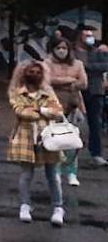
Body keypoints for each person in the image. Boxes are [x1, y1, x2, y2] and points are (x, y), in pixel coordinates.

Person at [7, 61, 66, 226]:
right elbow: (21, 111)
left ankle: (58, 207)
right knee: (26, 174)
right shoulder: (16, 92)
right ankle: (25, 205)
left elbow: (58, 112)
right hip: (26, 136)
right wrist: (44, 111)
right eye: (31, 71)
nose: (34, 74)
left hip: (48, 137)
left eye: (38, 72)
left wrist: (39, 110)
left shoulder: (48, 90)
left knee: (53, 174)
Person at [45, 39, 87, 187]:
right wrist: (69, 80)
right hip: (54, 106)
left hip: (74, 105)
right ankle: (55, 171)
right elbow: (46, 80)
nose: (61, 50)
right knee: (56, 141)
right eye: (58, 47)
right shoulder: (47, 63)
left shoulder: (77, 64)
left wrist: (65, 82)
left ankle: (72, 173)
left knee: (73, 142)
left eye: (64, 48)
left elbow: (83, 83)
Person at [82, 38, 108, 167]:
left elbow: (105, 65)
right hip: (76, 90)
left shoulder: (98, 52)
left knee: (95, 123)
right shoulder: (72, 51)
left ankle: (96, 154)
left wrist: (87, 66)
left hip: (96, 91)